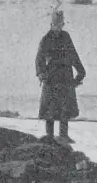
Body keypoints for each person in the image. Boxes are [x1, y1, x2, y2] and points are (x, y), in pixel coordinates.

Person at [35, 10, 86, 144]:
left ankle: (64, 135)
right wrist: (41, 74)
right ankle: (50, 136)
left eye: (61, 25)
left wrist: (80, 71)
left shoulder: (66, 36)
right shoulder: (46, 39)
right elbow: (39, 59)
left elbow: (73, 55)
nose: (59, 27)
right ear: (51, 24)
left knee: (65, 108)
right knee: (50, 111)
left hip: (65, 77)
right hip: (51, 78)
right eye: (56, 25)